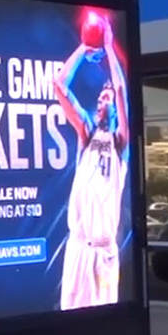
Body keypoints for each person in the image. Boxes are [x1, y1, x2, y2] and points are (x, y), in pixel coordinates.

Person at [55, 16, 130, 309]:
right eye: (100, 98)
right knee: (68, 319)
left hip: (104, 255)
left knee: (104, 320)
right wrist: (83, 48)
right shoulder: (86, 133)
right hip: (78, 249)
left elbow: (121, 90)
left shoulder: (119, 143)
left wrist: (109, 47)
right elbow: (59, 85)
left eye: (106, 98)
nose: (101, 101)